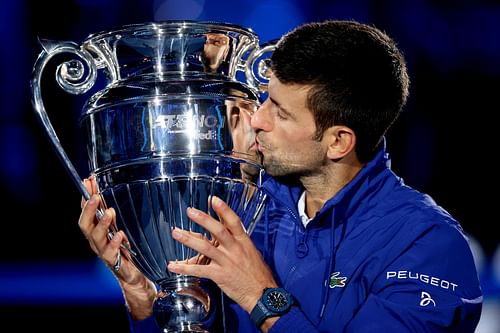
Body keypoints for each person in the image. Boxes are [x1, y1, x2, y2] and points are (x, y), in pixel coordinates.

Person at [79, 19, 483, 332]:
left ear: (338, 141)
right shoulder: (241, 203)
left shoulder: (427, 243)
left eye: (281, 112)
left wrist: (260, 296)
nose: (258, 119)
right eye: (266, 99)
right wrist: (143, 298)